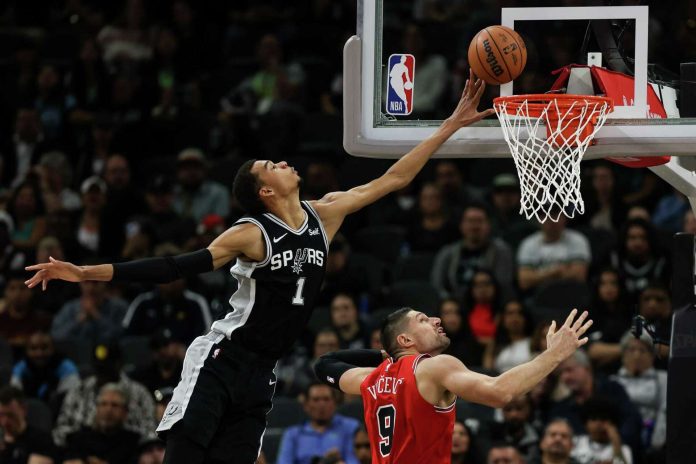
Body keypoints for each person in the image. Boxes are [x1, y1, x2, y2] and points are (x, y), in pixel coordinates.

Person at [24, 71, 495, 463]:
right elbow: (175, 266)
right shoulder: (251, 233)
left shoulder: (324, 214)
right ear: (265, 191)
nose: (284, 162)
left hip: (263, 371)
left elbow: (395, 178)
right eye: (272, 164)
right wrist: (87, 273)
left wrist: (450, 124)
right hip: (221, 359)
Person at [314, 307, 592, 463]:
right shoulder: (435, 366)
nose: (436, 319)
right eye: (423, 320)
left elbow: (324, 364)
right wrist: (555, 354)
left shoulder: (369, 379)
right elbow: (501, 392)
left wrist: (386, 357)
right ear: (405, 341)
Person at [276, 382, 360, 464]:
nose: (322, 404)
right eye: (316, 400)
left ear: (335, 403)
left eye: (326, 399)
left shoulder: (350, 427)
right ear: (306, 405)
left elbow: (353, 460)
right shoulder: (292, 434)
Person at [62, 383, 141, 464]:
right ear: (97, 409)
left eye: (115, 405)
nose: (108, 410)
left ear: (125, 413)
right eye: (103, 404)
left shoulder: (133, 443)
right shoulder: (78, 439)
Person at [517, 210, 591, 295]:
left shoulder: (577, 240)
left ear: (564, 217)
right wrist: (554, 272)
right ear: (539, 219)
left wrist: (538, 276)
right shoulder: (528, 243)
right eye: (546, 216)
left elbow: (579, 276)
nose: (551, 220)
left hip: (571, 293)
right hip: (538, 296)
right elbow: (524, 281)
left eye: (555, 215)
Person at [0, 386, 57, 464]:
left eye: (11, 416)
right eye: (1, 415)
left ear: (23, 410)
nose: (5, 422)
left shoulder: (40, 440)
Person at [571, 397, 633, 464]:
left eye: (603, 419)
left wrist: (616, 442)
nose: (598, 424)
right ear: (585, 423)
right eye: (593, 419)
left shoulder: (623, 449)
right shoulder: (575, 442)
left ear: (613, 423)